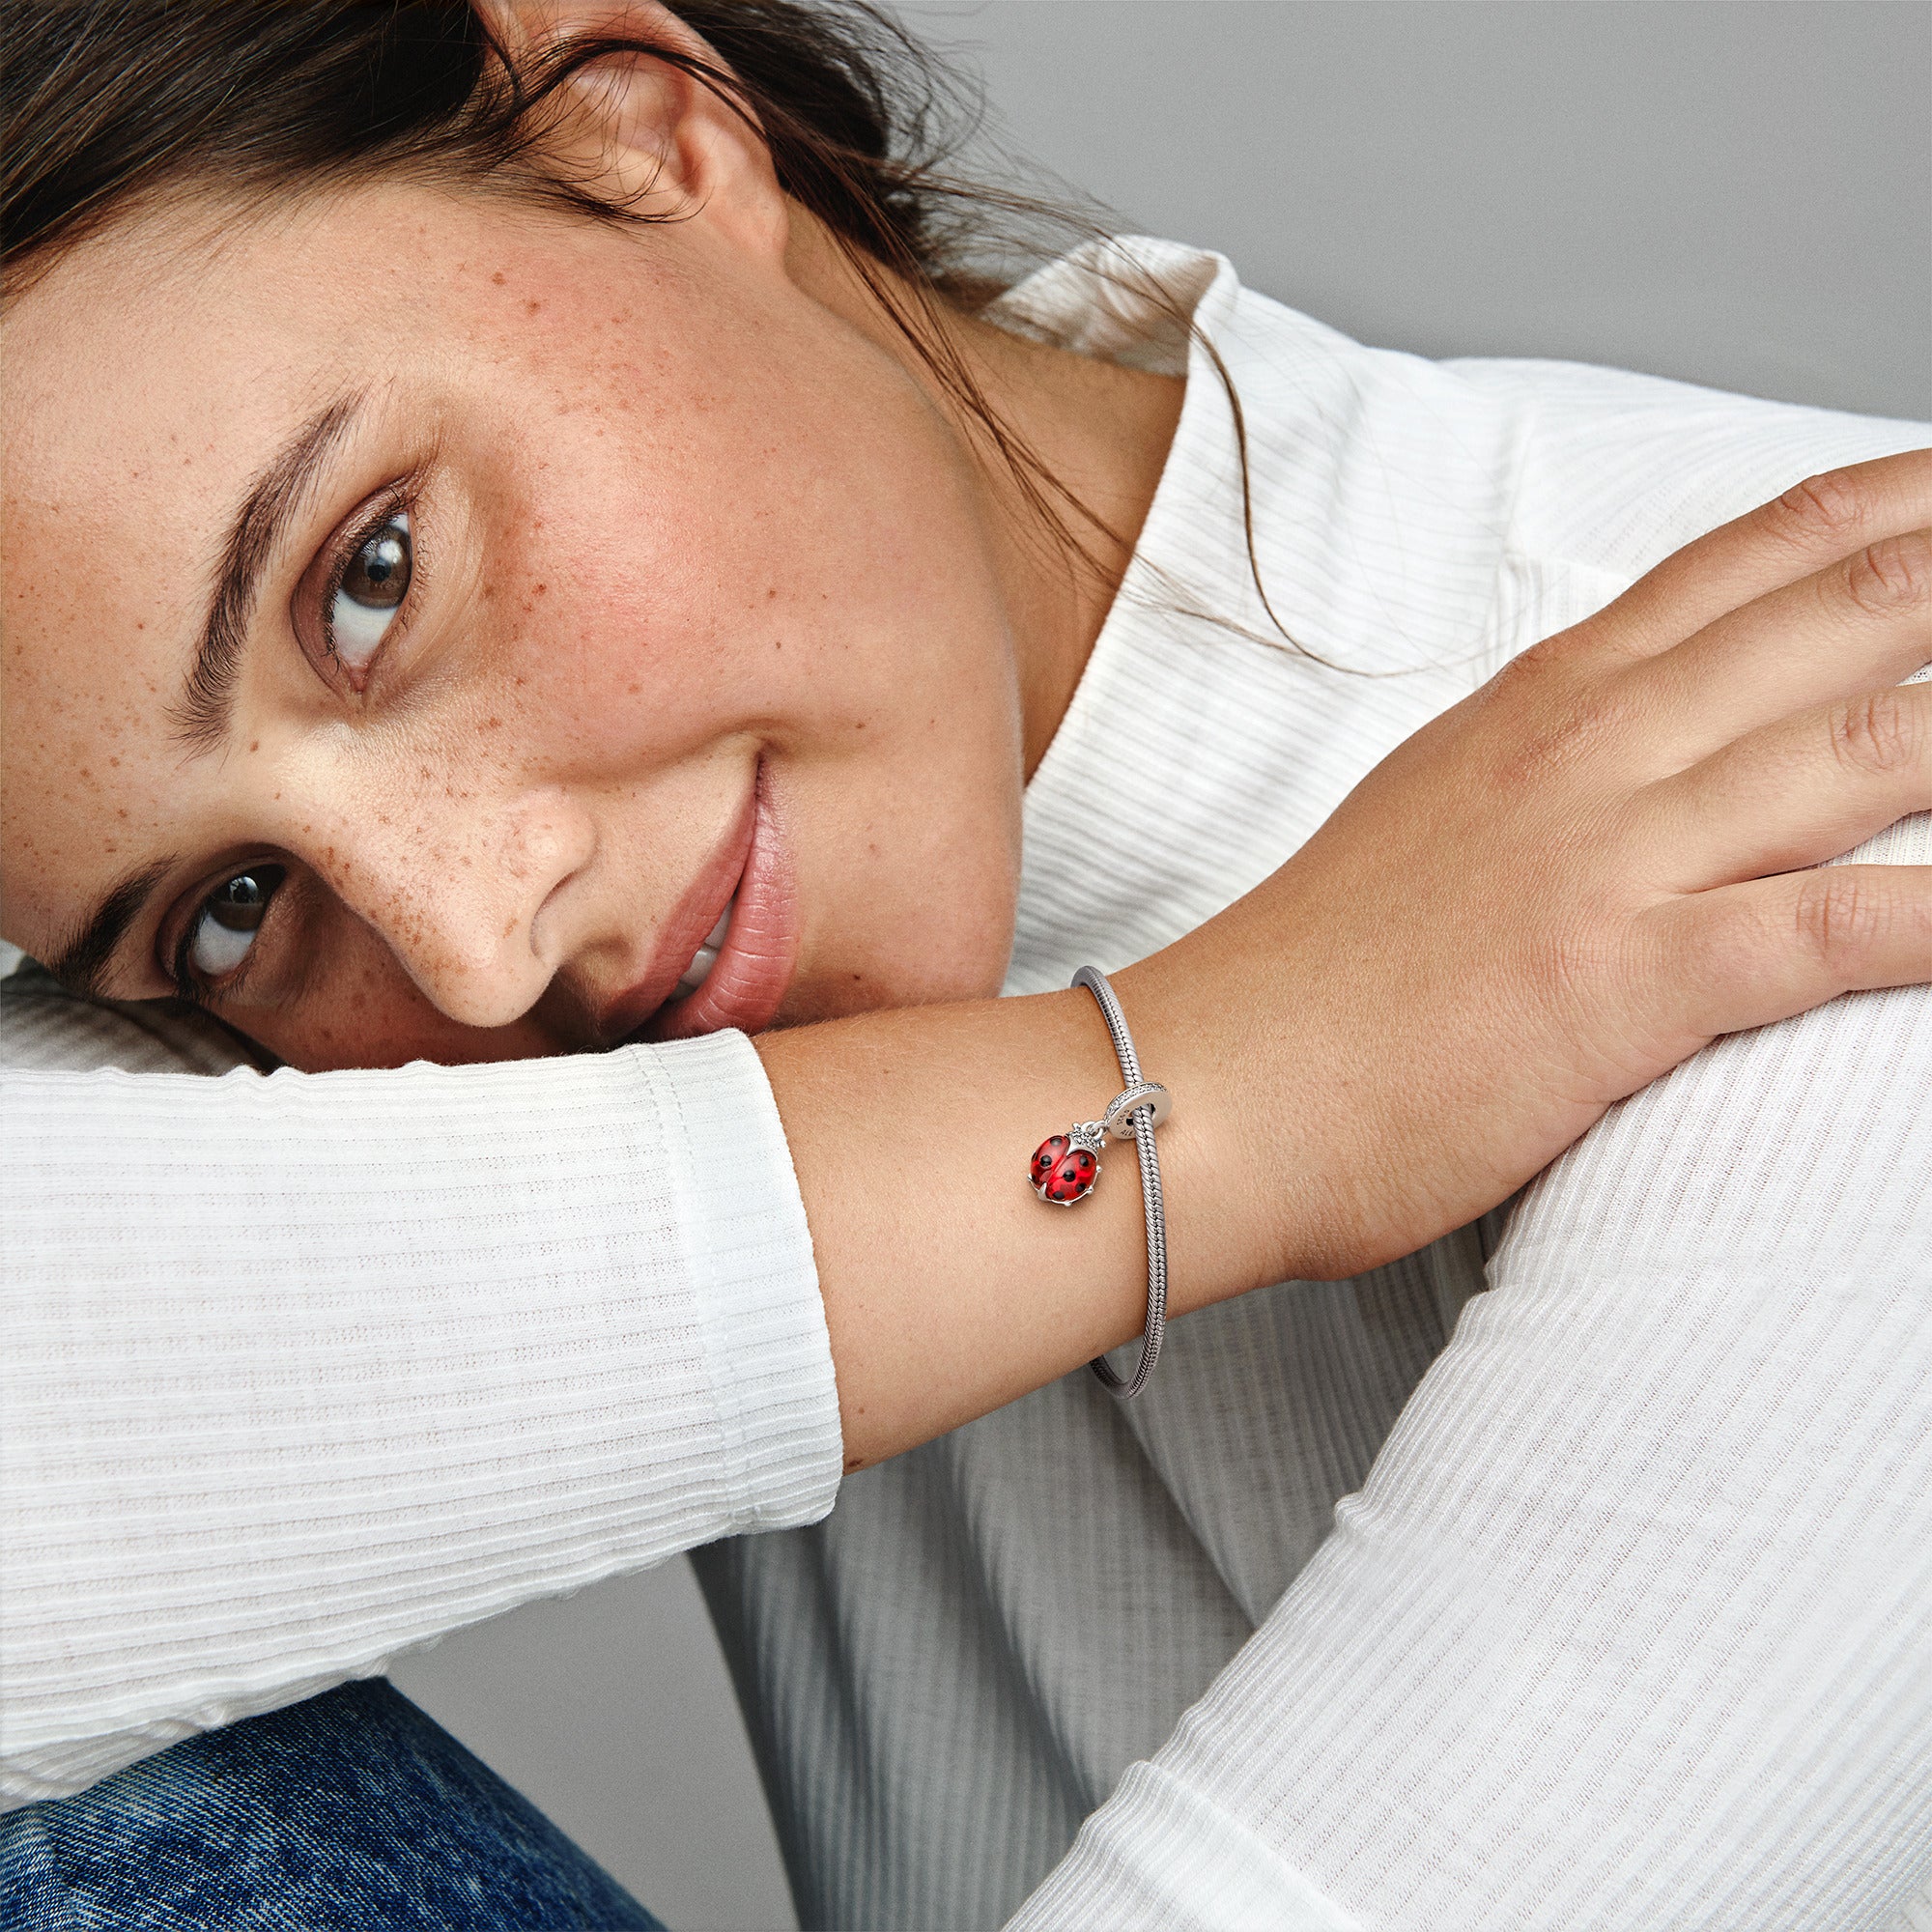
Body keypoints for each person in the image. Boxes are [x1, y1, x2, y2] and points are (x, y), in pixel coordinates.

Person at [3, 2, 1929, 1926]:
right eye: (234, 908)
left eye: (373, 573)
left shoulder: (1829, 871)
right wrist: (1216, 1091)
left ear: (640, 130)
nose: (479, 952)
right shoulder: (495, 1013)